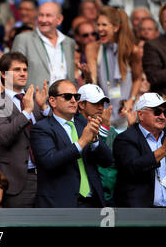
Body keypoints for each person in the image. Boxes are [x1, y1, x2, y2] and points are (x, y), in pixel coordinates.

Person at [31, 79, 113, 207]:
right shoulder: (42, 128)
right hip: (60, 205)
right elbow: (50, 162)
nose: (74, 100)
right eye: (68, 97)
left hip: (93, 203)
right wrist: (81, 143)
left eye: (76, 97)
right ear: (52, 101)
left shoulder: (85, 125)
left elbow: (107, 161)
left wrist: (95, 141)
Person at [0, 51, 49, 207]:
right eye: (17, 70)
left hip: (45, 179)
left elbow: (50, 135)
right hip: (16, 181)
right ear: (4, 74)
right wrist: (26, 112)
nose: (23, 73)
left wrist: (45, 109)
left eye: (25, 70)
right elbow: (2, 137)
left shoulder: (34, 100)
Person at [113, 93, 166, 207]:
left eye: (165, 112)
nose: (162, 116)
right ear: (140, 114)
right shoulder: (125, 138)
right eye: (157, 112)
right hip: (141, 214)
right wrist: (164, 149)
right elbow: (133, 167)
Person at [86, 6, 143, 129]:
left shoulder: (133, 51)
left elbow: (138, 79)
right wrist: (87, 74)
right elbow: (93, 82)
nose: (100, 29)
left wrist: (131, 100)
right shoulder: (93, 48)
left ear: (116, 27)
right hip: (103, 116)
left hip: (126, 114)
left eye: (104, 25)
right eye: (98, 24)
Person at [11, 2, 76, 89]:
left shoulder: (69, 42)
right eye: (41, 15)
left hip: (64, 100)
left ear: (59, 19)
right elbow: (12, 74)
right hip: (33, 100)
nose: (43, 20)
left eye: (48, 15)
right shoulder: (23, 39)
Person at [77, 83, 119, 206]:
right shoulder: (72, 127)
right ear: (81, 104)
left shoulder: (112, 132)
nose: (100, 107)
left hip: (106, 197)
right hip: (82, 197)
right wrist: (103, 129)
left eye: (102, 103)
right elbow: (91, 156)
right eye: (95, 103)